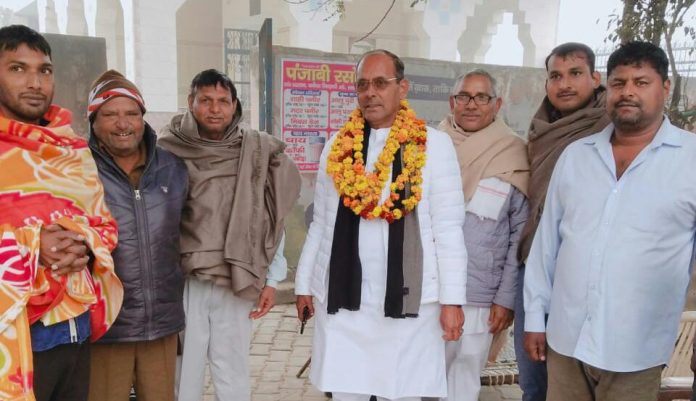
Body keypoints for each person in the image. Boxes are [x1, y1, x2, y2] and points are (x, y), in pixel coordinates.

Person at [523, 41, 696, 401]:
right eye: (619, 83)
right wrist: (535, 318)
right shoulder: (577, 156)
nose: (628, 92)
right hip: (567, 340)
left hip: (637, 349)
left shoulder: (689, 160)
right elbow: (546, 246)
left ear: (665, 88)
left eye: (641, 82)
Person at [295, 49, 467, 401]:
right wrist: (304, 284)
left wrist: (453, 301)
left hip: (409, 302)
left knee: (403, 390)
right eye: (362, 84)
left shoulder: (434, 146)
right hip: (346, 300)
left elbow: (448, 230)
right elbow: (322, 224)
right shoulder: (336, 148)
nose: (370, 92)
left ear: (402, 88)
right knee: (347, 390)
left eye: (379, 83)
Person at [158, 69, 300, 401]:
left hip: (238, 275)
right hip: (185, 279)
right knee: (184, 370)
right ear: (190, 103)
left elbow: (271, 217)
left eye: (223, 101)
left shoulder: (256, 149)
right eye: (205, 100)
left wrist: (272, 278)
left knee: (232, 368)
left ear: (235, 105)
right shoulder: (166, 149)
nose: (215, 109)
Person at [0, 25, 123, 401]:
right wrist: (33, 244)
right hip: (17, 337)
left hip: (75, 330)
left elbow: (104, 225)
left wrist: (83, 243)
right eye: (17, 69)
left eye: (44, 70)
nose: (35, 82)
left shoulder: (70, 149)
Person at [514, 42, 610, 401]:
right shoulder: (540, 131)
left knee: (581, 373)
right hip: (535, 266)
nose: (564, 84)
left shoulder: (612, 128)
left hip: (585, 268)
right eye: (556, 75)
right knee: (534, 379)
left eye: (575, 74)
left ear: (595, 78)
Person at [86, 70, 188, 401]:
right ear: (94, 121)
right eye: (110, 114)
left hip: (160, 322)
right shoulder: (77, 170)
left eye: (131, 113)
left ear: (142, 119)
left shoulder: (172, 168)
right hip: (104, 326)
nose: (122, 123)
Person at [437, 69, 529, 401]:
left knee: (465, 378)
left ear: (497, 103)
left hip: (481, 295)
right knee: (424, 375)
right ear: (452, 102)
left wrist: (505, 299)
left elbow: (518, 235)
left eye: (481, 97)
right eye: (464, 96)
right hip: (431, 290)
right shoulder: (430, 147)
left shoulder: (513, 153)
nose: (471, 105)